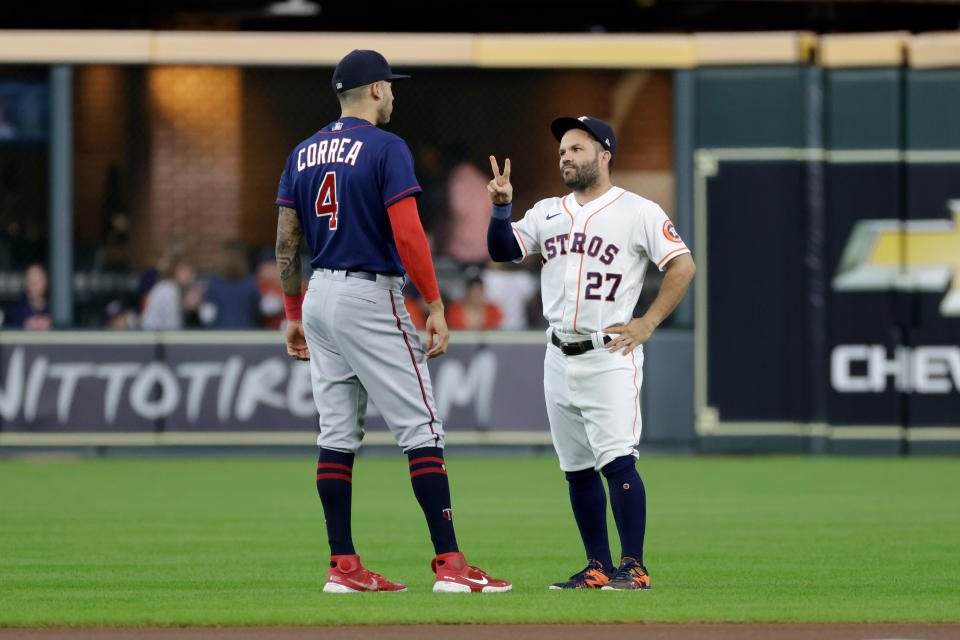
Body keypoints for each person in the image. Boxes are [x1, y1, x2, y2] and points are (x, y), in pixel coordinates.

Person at [273, 49, 511, 594]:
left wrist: (292, 313)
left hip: (318, 295)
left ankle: (343, 566)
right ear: (376, 90)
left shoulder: (302, 152)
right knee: (422, 429)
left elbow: (287, 239)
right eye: (391, 86)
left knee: (335, 435)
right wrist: (433, 302)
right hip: (368, 294)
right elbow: (407, 234)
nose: (395, 95)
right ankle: (451, 566)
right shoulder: (386, 146)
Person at [486, 116, 696, 590]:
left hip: (608, 351)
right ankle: (598, 567)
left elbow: (683, 265)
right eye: (562, 150)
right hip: (558, 352)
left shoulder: (637, 210)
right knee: (576, 468)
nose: (566, 157)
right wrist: (502, 208)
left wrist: (648, 323)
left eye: (577, 149)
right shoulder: (546, 211)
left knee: (617, 459)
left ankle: (634, 567)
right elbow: (503, 250)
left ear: (605, 155)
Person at [201, 240, 262, 329]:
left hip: (220, 335)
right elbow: (262, 309)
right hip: (246, 334)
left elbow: (207, 317)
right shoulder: (250, 282)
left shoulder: (214, 283)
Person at [140, 255, 196, 330]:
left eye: (191, 272)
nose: (190, 276)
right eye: (186, 271)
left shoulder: (170, 287)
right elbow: (173, 326)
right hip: (152, 337)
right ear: (176, 270)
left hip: (154, 335)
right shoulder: (170, 289)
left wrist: (185, 306)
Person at [7, 263, 51, 330]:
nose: (34, 284)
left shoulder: (55, 310)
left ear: (45, 282)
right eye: (31, 280)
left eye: (38, 280)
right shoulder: (15, 312)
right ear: (25, 283)